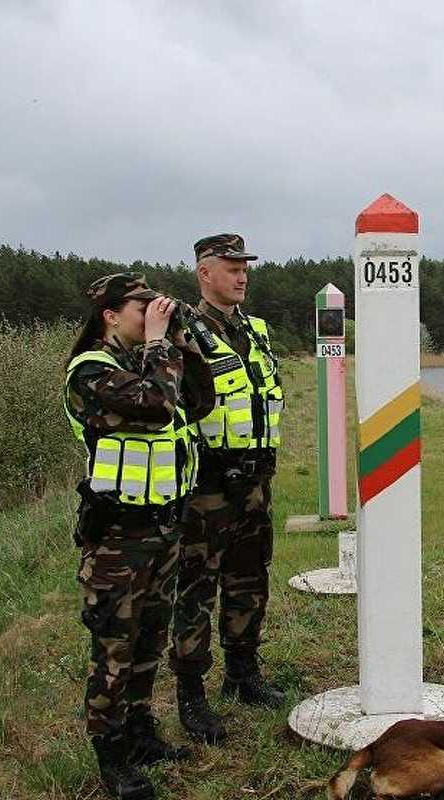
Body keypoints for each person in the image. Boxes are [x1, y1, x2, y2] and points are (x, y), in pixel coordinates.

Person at [64, 273, 214, 799]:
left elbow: (198, 402)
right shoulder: (90, 372)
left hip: (162, 529)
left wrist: (179, 343)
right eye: (141, 306)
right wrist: (156, 344)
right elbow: (154, 404)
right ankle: (112, 760)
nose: (152, 312)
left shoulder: (149, 361)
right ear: (110, 314)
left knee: (150, 638)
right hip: (116, 542)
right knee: (114, 650)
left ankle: (140, 733)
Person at [169, 234, 286, 744]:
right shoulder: (183, 333)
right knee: (197, 588)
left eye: (245, 267)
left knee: (249, 579)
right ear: (204, 273)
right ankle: (192, 696)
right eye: (231, 266)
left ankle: (243, 675)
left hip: (256, 481)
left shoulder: (254, 331)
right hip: (207, 487)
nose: (241, 275)